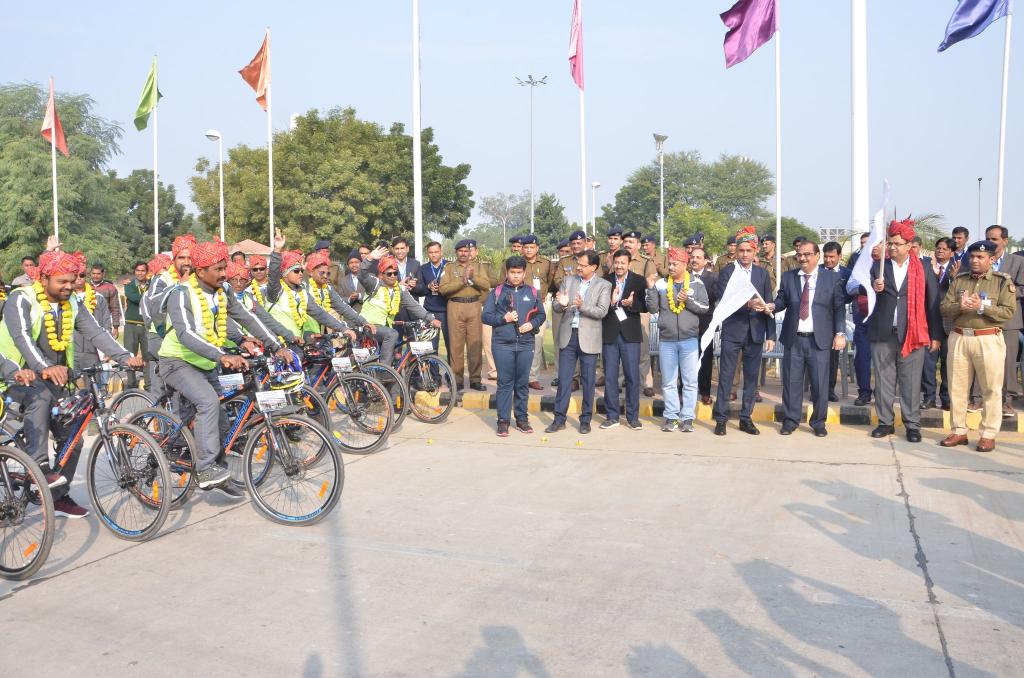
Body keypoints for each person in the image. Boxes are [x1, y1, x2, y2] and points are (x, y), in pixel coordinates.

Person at [0, 249, 144, 517]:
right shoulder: (21, 299)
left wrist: (124, 357)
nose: (69, 286)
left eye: (72, 280)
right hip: (16, 376)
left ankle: (57, 497)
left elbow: (96, 332)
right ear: (44, 278)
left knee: (74, 437)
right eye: (62, 281)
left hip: (54, 377)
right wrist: (44, 367)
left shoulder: (73, 303)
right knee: (41, 397)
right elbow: (22, 338)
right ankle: (39, 468)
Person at [159, 238, 291, 494]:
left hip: (206, 361)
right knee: (208, 402)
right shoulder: (181, 294)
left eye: (224, 268)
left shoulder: (224, 291)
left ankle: (218, 472)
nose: (224, 274)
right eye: (218, 269)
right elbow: (185, 334)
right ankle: (206, 468)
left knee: (221, 421)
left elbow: (248, 318)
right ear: (200, 271)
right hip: (176, 361)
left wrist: (276, 346)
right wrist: (221, 356)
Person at [866, 220, 943, 442]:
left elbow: (932, 303)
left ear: (909, 245)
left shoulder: (923, 268)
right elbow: (863, 291)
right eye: (890, 243)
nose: (892, 247)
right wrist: (874, 287)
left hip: (913, 333)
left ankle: (912, 425)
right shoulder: (879, 266)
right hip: (883, 333)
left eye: (897, 244)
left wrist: (935, 335)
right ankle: (885, 423)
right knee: (884, 381)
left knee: (911, 382)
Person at [940, 240, 1017, 452]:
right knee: (956, 387)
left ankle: (988, 434)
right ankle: (958, 430)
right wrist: (960, 306)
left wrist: (982, 306)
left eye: (980, 257)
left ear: (991, 259)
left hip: (988, 339)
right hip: (959, 338)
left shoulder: (1002, 282)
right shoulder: (960, 279)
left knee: (991, 389)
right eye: (972, 256)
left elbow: (1008, 312)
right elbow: (944, 308)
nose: (975, 260)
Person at [767, 241, 846, 436]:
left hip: (820, 340)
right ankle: (790, 420)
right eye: (799, 255)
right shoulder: (789, 277)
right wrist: (772, 306)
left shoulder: (831, 278)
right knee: (791, 383)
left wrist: (840, 333)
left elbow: (838, 308)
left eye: (807, 254)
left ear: (817, 256)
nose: (802, 258)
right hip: (794, 339)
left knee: (819, 384)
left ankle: (818, 422)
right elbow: (782, 300)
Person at [713, 226, 776, 436]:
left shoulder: (762, 274)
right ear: (736, 251)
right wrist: (747, 304)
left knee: (751, 379)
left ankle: (746, 418)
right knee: (726, 377)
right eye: (741, 250)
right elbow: (724, 299)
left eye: (749, 250)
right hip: (733, 331)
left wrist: (771, 335)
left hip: (756, 332)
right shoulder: (727, 272)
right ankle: (721, 418)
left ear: (755, 251)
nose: (745, 254)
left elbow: (768, 304)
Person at [545, 250, 611, 434]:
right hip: (568, 336)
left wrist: (582, 306)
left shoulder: (603, 285)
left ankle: (585, 420)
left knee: (588, 381)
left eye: (582, 265)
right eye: (578, 264)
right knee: (564, 380)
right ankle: (559, 419)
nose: (578, 268)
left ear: (594, 267)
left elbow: (602, 311)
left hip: (589, 338)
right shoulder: (568, 280)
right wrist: (562, 304)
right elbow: (556, 306)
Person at [647, 247, 710, 432]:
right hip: (667, 340)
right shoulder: (661, 284)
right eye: (670, 264)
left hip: (689, 340)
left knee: (690, 381)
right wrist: (650, 288)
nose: (671, 267)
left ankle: (688, 418)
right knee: (668, 381)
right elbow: (652, 309)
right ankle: (671, 417)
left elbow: (704, 308)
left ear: (684, 264)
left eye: (675, 264)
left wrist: (687, 301)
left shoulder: (696, 283)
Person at [483, 256, 545, 436]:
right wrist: (504, 318)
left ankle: (521, 419)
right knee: (505, 383)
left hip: (526, 344)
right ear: (507, 272)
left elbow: (541, 315)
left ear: (524, 273)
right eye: (512, 272)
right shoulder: (497, 292)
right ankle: (503, 421)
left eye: (519, 272)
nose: (516, 276)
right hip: (502, 344)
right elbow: (485, 316)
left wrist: (532, 324)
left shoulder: (532, 292)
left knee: (522, 383)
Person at [266, 230, 353, 344]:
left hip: (299, 343)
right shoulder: (276, 291)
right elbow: (273, 275)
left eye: (302, 271)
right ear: (285, 274)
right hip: (279, 345)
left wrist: (343, 329)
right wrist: (277, 250)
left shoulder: (302, 293)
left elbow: (320, 314)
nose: (300, 273)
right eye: (296, 271)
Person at [359, 246, 439, 363]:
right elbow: (361, 275)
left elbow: (413, 306)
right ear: (381, 275)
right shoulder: (374, 284)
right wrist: (370, 258)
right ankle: (385, 370)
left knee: (396, 353)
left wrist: (430, 318)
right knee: (392, 334)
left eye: (395, 273)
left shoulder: (399, 290)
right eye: (389, 274)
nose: (392, 276)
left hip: (386, 327)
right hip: (368, 326)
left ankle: (392, 370)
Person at [600, 249, 648, 430]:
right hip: (610, 333)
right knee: (610, 377)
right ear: (613, 262)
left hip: (630, 334)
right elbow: (600, 307)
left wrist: (632, 304)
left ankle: (633, 417)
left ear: (629, 264)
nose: (619, 266)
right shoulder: (605, 281)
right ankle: (612, 416)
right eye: (617, 262)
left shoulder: (639, 281)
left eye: (623, 263)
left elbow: (645, 306)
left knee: (632, 377)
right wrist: (612, 303)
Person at [141, 235, 195, 396]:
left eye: (190, 258)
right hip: (161, 337)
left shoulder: (199, 277)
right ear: (174, 259)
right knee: (164, 390)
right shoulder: (163, 279)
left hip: (187, 339)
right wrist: (180, 286)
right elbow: (152, 305)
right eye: (182, 258)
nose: (186, 262)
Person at [499, 235, 551, 390]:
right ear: (522, 248)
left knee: (536, 342)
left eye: (532, 247)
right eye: (526, 247)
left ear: (537, 248)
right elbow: (503, 283)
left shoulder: (546, 263)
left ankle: (532, 377)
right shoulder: (515, 263)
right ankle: (516, 375)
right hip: (516, 305)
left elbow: (550, 281)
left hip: (538, 305)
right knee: (514, 340)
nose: (528, 250)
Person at [982, 224, 1024, 415]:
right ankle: (977, 399)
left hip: (1009, 321)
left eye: (994, 239)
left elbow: (1022, 288)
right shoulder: (980, 259)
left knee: (1007, 363)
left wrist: (1001, 295)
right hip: (983, 319)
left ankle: (1007, 401)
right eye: (988, 238)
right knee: (982, 360)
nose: (990, 242)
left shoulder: (1017, 262)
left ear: (1005, 241)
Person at [439, 239, 490, 391]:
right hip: (455, 306)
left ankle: (475, 379)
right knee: (456, 345)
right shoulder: (449, 267)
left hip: (474, 305)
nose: (463, 253)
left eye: (466, 251)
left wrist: (473, 278)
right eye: (460, 251)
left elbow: (486, 285)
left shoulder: (478, 266)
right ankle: (457, 380)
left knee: (475, 344)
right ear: (456, 252)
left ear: (470, 252)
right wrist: (462, 282)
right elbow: (443, 289)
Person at [550, 230, 588, 389]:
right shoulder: (564, 261)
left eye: (579, 243)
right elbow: (557, 280)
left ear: (585, 242)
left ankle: (583, 376)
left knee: (585, 340)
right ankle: (564, 376)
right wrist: (571, 285)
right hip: (564, 304)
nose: (576, 246)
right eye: (573, 243)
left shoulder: (593, 258)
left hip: (585, 305)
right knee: (561, 340)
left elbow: (597, 280)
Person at [622, 230, 658, 397]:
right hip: (620, 310)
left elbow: (651, 284)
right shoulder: (618, 259)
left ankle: (646, 383)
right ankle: (620, 380)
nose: (628, 244)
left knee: (642, 348)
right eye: (626, 242)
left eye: (631, 242)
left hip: (640, 309)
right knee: (621, 345)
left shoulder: (645, 262)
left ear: (638, 244)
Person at [921, 237, 955, 409]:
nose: (940, 251)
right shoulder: (926, 266)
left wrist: (953, 278)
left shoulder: (958, 269)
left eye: (944, 249)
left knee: (948, 362)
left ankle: (946, 398)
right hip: (929, 322)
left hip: (950, 324)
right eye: (938, 248)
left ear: (952, 253)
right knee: (928, 362)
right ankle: (929, 397)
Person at [306, 249, 371, 332]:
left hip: (319, 333)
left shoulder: (327, 288)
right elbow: (319, 313)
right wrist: (342, 328)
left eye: (328, 273)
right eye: (322, 273)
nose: (325, 276)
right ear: (311, 272)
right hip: (303, 333)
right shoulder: (304, 289)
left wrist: (364, 322)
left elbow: (342, 307)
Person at [846, 232, 876, 405]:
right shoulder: (858, 262)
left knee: (884, 359)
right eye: (862, 243)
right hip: (862, 316)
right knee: (862, 357)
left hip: (883, 318)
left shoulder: (886, 262)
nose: (865, 246)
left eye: (868, 242)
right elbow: (850, 287)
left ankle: (882, 392)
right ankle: (864, 392)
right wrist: (865, 288)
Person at [820, 241, 850, 402]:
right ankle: (817, 389)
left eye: (832, 257)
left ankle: (829, 389)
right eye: (825, 256)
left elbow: (851, 293)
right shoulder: (817, 271)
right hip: (818, 319)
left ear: (839, 256)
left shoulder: (847, 273)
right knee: (817, 356)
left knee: (832, 357)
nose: (828, 260)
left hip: (836, 318)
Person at [689, 247, 718, 405]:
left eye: (698, 257)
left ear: (706, 260)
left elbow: (714, 296)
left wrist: (697, 291)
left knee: (705, 359)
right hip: (687, 323)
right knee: (686, 359)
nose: (694, 260)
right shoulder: (684, 276)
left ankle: (705, 392)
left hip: (705, 323)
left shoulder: (712, 277)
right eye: (692, 257)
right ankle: (684, 390)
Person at [72, 261, 112, 370]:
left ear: (86, 276)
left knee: (98, 379)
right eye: (75, 275)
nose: (79, 278)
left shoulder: (98, 297)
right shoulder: (66, 299)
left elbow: (106, 323)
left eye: (82, 275)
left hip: (94, 349)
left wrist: (108, 348)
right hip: (72, 350)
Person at [413, 241, 450, 359]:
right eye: (430, 252)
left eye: (436, 252)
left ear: (441, 252)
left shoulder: (449, 266)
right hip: (430, 311)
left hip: (448, 310)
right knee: (431, 347)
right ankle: (434, 371)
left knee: (451, 345)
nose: (433, 254)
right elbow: (418, 290)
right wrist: (428, 287)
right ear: (427, 253)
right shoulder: (423, 268)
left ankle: (451, 370)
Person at [122, 260, 150, 388]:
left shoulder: (152, 285)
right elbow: (133, 297)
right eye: (138, 270)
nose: (140, 273)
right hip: (131, 324)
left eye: (143, 271)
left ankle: (149, 384)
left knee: (148, 356)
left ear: (147, 272)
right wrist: (150, 298)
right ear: (134, 272)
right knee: (130, 355)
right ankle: (131, 384)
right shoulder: (129, 285)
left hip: (147, 325)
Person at [89, 262, 122, 339]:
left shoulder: (110, 288)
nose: (95, 276)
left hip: (104, 323)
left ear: (103, 274)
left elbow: (115, 308)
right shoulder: (84, 286)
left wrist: (116, 327)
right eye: (93, 273)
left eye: (98, 274)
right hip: (87, 322)